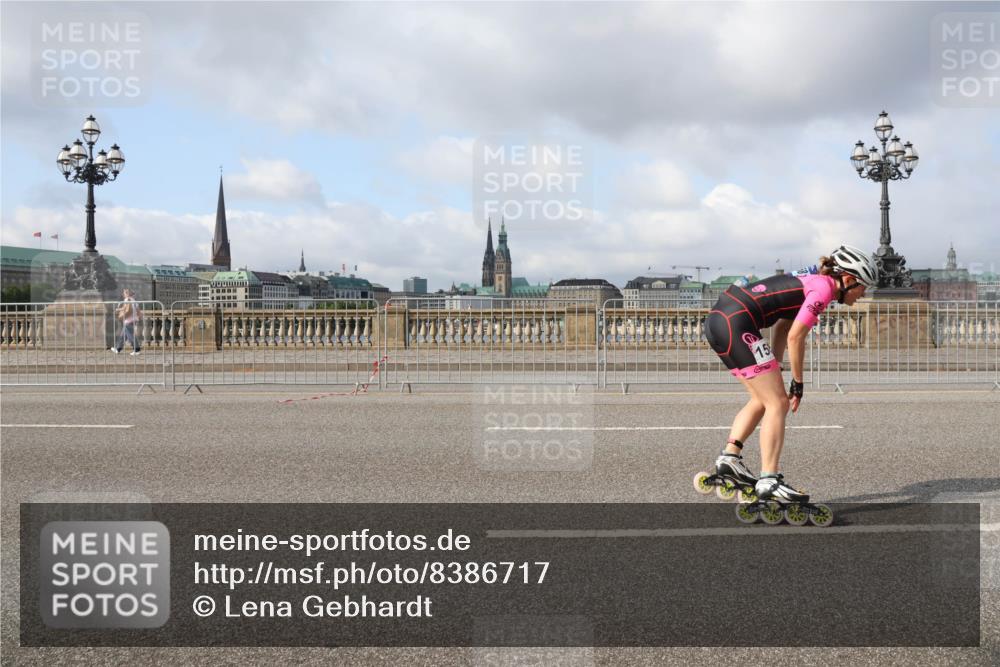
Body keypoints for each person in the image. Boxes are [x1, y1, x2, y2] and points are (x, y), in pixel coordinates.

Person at [702, 245, 878, 504]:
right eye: (864, 287)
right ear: (849, 280)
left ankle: (730, 458)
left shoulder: (811, 281)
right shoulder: (825, 288)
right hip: (737, 322)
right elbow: (797, 336)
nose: (863, 295)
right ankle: (769, 479)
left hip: (722, 319)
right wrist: (798, 382)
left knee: (762, 399)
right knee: (778, 403)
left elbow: (784, 327)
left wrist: (776, 363)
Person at [110, 288, 142, 356]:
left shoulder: (127, 299)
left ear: (128, 294)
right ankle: (118, 349)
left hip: (128, 320)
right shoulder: (133, 300)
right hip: (133, 320)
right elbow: (138, 311)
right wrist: (118, 309)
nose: (123, 294)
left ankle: (137, 350)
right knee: (123, 336)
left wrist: (121, 316)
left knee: (131, 336)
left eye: (124, 293)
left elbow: (128, 310)